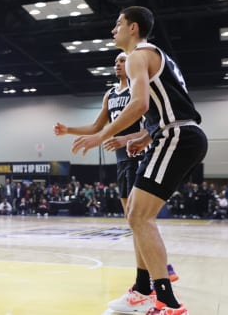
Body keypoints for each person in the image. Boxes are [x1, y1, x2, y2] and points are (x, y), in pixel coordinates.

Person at [71, 6, 207, 315]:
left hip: (178, 136)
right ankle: (143, 289)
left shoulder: (137, 55)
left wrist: (100, 135)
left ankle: (167, 302)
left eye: (117, 24)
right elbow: (165, 104)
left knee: (140, 217)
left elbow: (140, 103)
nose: (112, 30)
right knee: (135, 213)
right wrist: (144, 137)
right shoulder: (155, 55)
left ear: (133, 28)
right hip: (174, 134)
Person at [53, 52, 179, 284]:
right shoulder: (110, 94)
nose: (118, 64)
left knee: (140, 218)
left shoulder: (139, 89)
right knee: (132, 220)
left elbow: (151, 128)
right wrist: (68, 129)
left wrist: (125, 139)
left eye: (122, 60)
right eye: (116, 62)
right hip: (121, 160)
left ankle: (160, 270)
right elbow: (96, 126)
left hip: (140, 155)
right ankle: (158, 269)